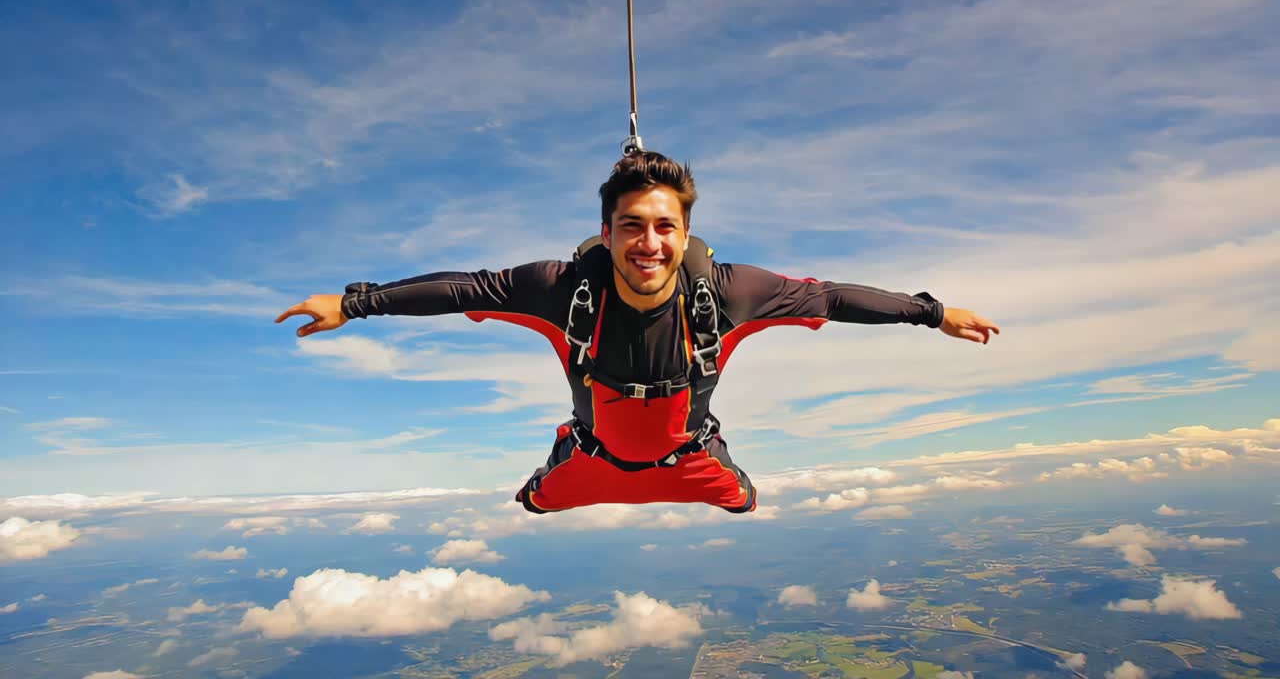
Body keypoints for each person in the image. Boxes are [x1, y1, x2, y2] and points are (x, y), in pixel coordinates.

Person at [275, 151, 999, 515]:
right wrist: (354, 303)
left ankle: (706, 451)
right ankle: (566, 444)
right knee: (531, 503)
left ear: (686, 236)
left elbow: (834, 297)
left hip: (688, 459)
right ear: (607, 232)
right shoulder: (561, 290)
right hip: (590, 459)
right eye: (631, 227)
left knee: (744, 502)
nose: (647, 244)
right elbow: (463, 288)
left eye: (664, 228)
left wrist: (933, 313)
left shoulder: (731, 292)